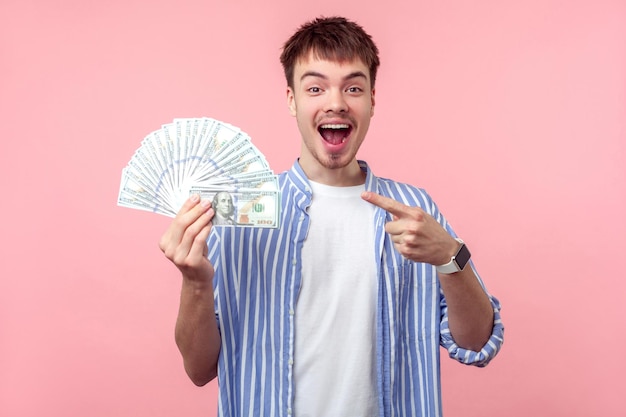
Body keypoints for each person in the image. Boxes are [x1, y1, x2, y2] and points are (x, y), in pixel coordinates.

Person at [159, 16, 504, 417]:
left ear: (373, 99)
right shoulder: (239, 210)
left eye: (353, 88)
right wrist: (195, 282)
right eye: (316, 87)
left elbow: (477, 344)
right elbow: (199, 370)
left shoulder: (415, 209)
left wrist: (452, 258)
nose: (336, 102)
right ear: (292, 99)